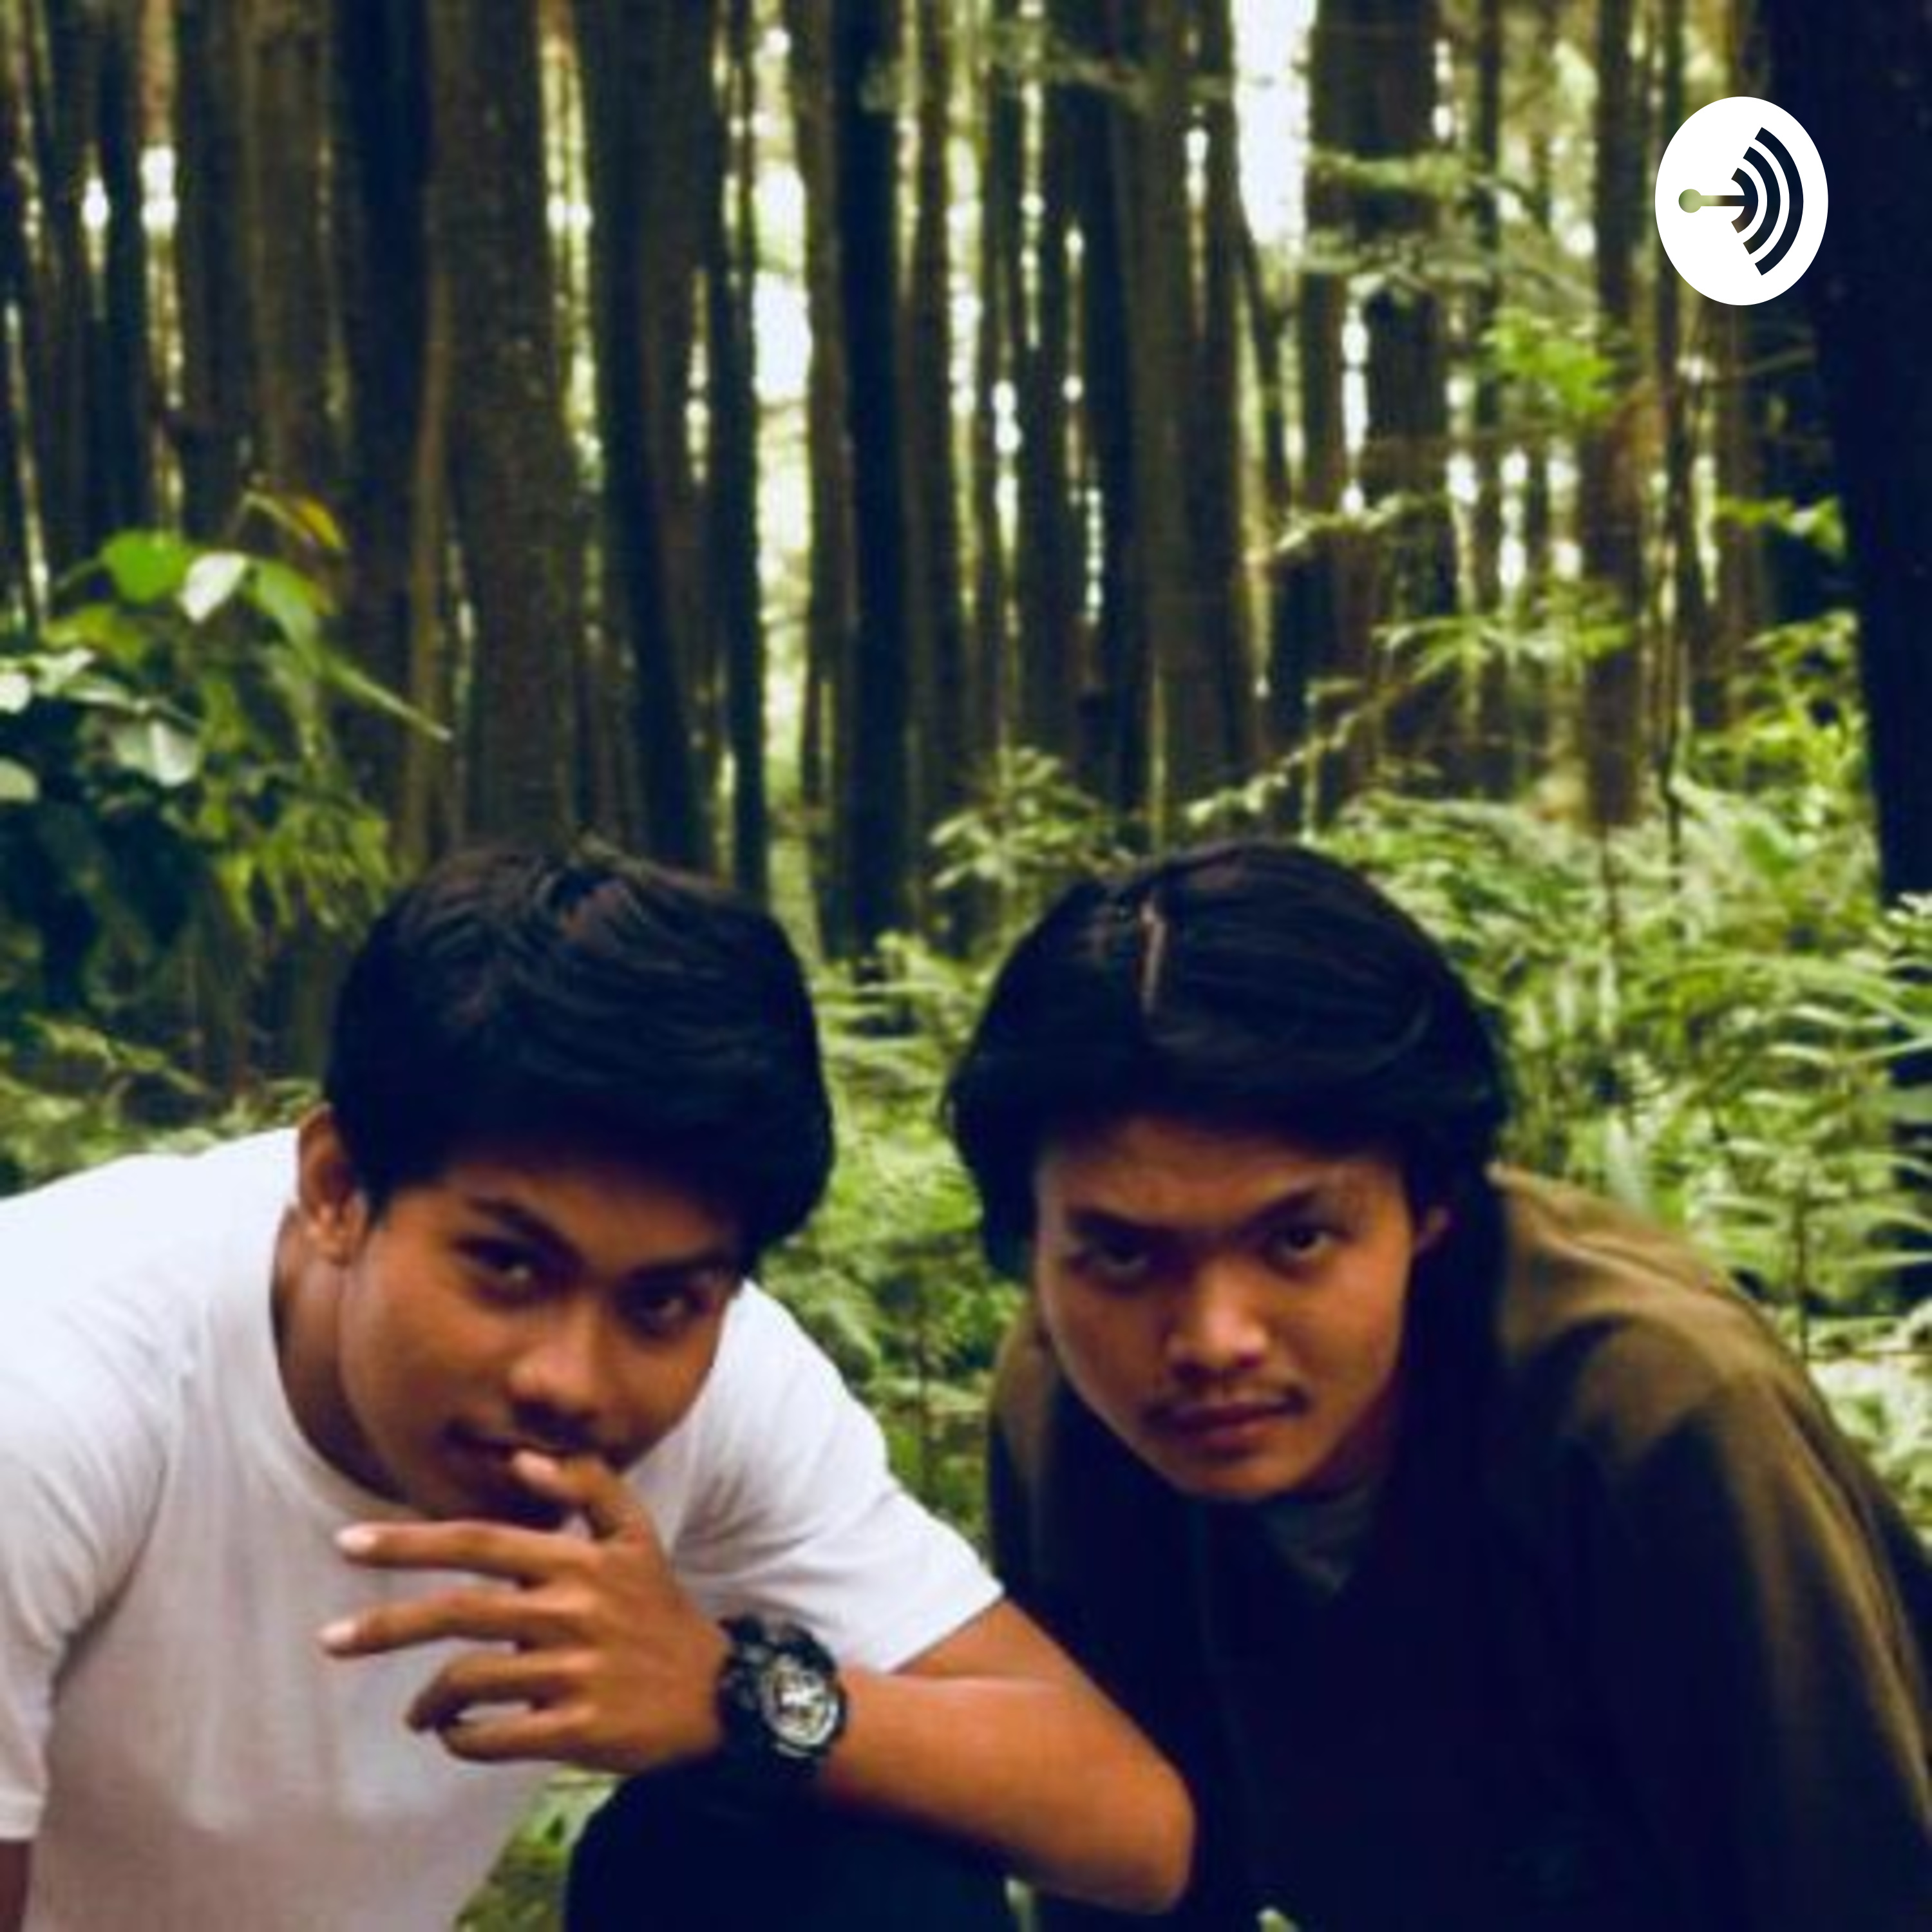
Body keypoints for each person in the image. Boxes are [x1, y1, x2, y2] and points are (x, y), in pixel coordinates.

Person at [0, 844, 1191, 1931]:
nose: (571, 1381)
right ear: (338, 1190)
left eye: (663, 1302)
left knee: (838, 1856)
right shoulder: (53, 1384)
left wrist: (733, 1699)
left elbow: (1135, 1827)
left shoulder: (730, 1382)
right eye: (507, 1267)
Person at [947, 838, 1932, 1931]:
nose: (1214, 1340)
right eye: (1125, 1255)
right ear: (1031, 1245)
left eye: (1297, 1240)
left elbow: (1851, 1885)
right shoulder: (1064, 1405)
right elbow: (1122, 1882)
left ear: (1430, 1207)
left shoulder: (1651, 1414)